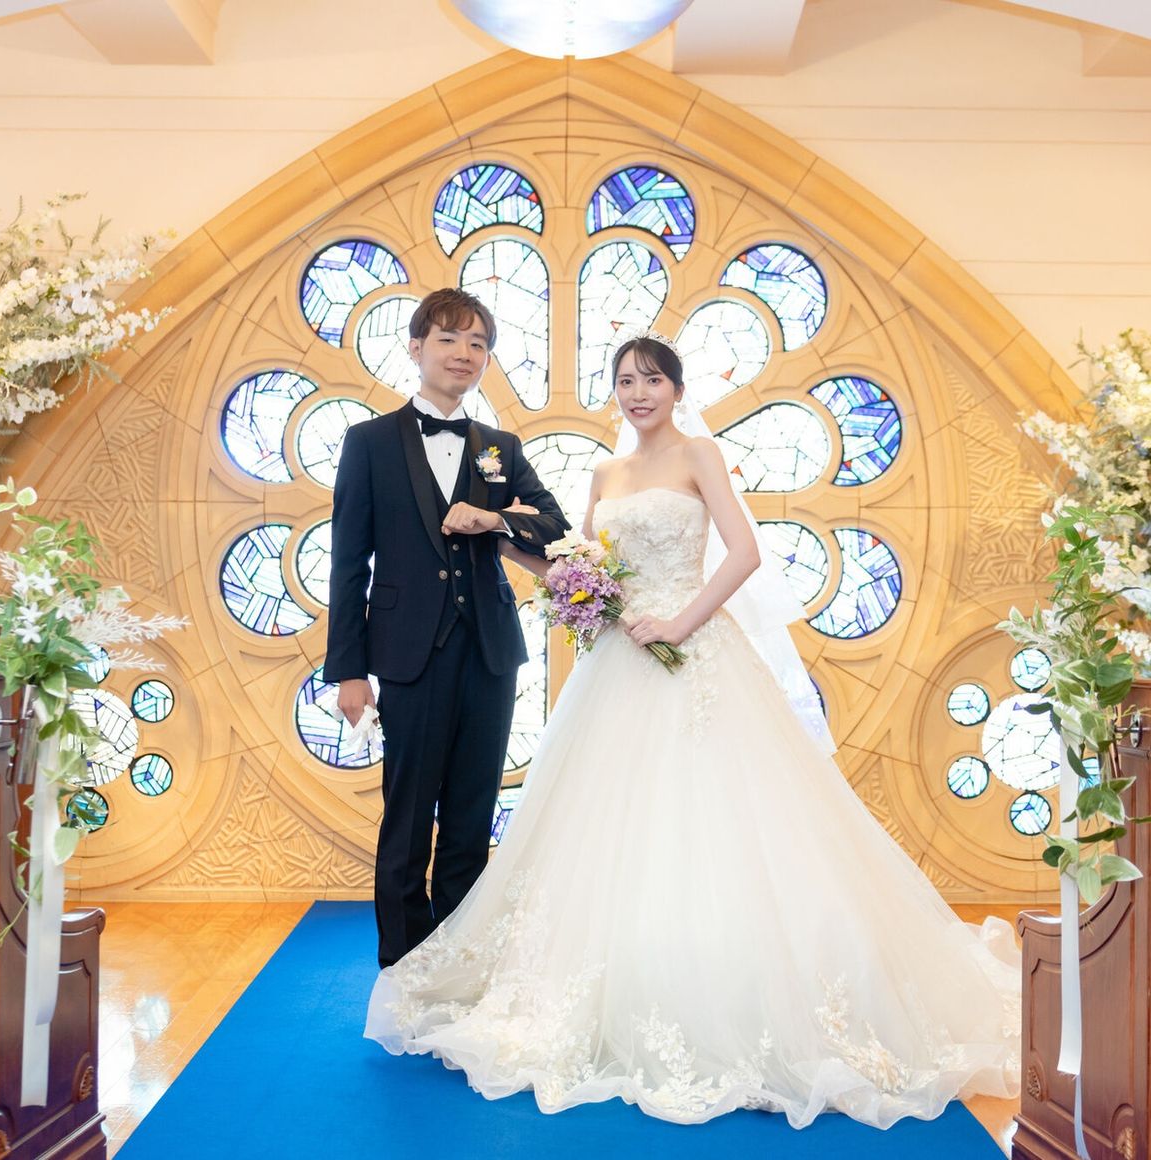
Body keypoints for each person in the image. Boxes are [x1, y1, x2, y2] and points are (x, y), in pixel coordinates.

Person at [364, 333, 1021, 1128]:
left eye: (652, 379)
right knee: (609, 827)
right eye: (626, 381)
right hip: (619, 659)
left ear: (676, 389)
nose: (638, 393)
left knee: (715, 815)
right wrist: (502, 539)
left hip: (694, 649)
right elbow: (578, 569)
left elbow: (742, 554)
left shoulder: (699, 454)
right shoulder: (604, 475)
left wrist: (679, 621)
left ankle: (730, 986)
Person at [324, 288, 569, 969]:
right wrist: (349, 671)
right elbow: (348, 562)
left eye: (478, 344)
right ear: (416, 348)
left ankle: (460, 961)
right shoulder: (369, 443)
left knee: (471, 812)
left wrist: (495, 519)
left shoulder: (499, 448)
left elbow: (554, 527)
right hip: (408, 655)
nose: (464, 354)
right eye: (449, 339)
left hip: (490, 654)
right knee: (407, 816)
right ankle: (403, 967)